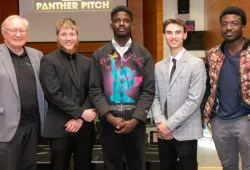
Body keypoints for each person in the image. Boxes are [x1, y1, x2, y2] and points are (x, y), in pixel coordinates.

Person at [89, 5, 155, 170]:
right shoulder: (99, 54)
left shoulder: (143, 54)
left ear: (132, 25)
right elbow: (95, 89)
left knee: (137, 166)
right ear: (111, 25)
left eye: (126, 21)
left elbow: (148, 90)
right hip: (108, 125)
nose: (121, 24)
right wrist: (110, 117)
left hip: (136, 124)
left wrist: (135, 120)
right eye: (117, 20)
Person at [39, 18, 96, 170]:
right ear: (57, 37)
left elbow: (94, 91)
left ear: (77, 36)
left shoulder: (88, 62)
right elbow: (53, 93)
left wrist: (81, 119)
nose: (68, 38)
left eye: (72, 34)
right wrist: (81, 113)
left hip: (84, 129)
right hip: (60, 128)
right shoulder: (48, 61)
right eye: (64, 34)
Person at [151, 18, 206, 170]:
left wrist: (169, 125)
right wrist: (161, 123)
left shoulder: (196, 64)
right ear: (164, 35)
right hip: (163, 132)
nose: (173, 36)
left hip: (186, 131)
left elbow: (194, 101)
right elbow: (154, 97)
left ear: (185, 35)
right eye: (169, 32)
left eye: (177, 32)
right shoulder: (158, 66)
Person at [204, 6, 250, 170]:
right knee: (228, 166)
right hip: (220, 121)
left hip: (246, 119)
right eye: (225, 24)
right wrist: (210, 114)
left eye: (235, 23)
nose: (229, 27)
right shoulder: (213, 54)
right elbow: (208, 86)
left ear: (243, 27)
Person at [0, 15, 45, 170]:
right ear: (3, 32)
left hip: (33, 123)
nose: (18, 34)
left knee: (30, 166)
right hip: (6, 125)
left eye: (22, 30)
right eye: (13, 30)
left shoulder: (37, 55)